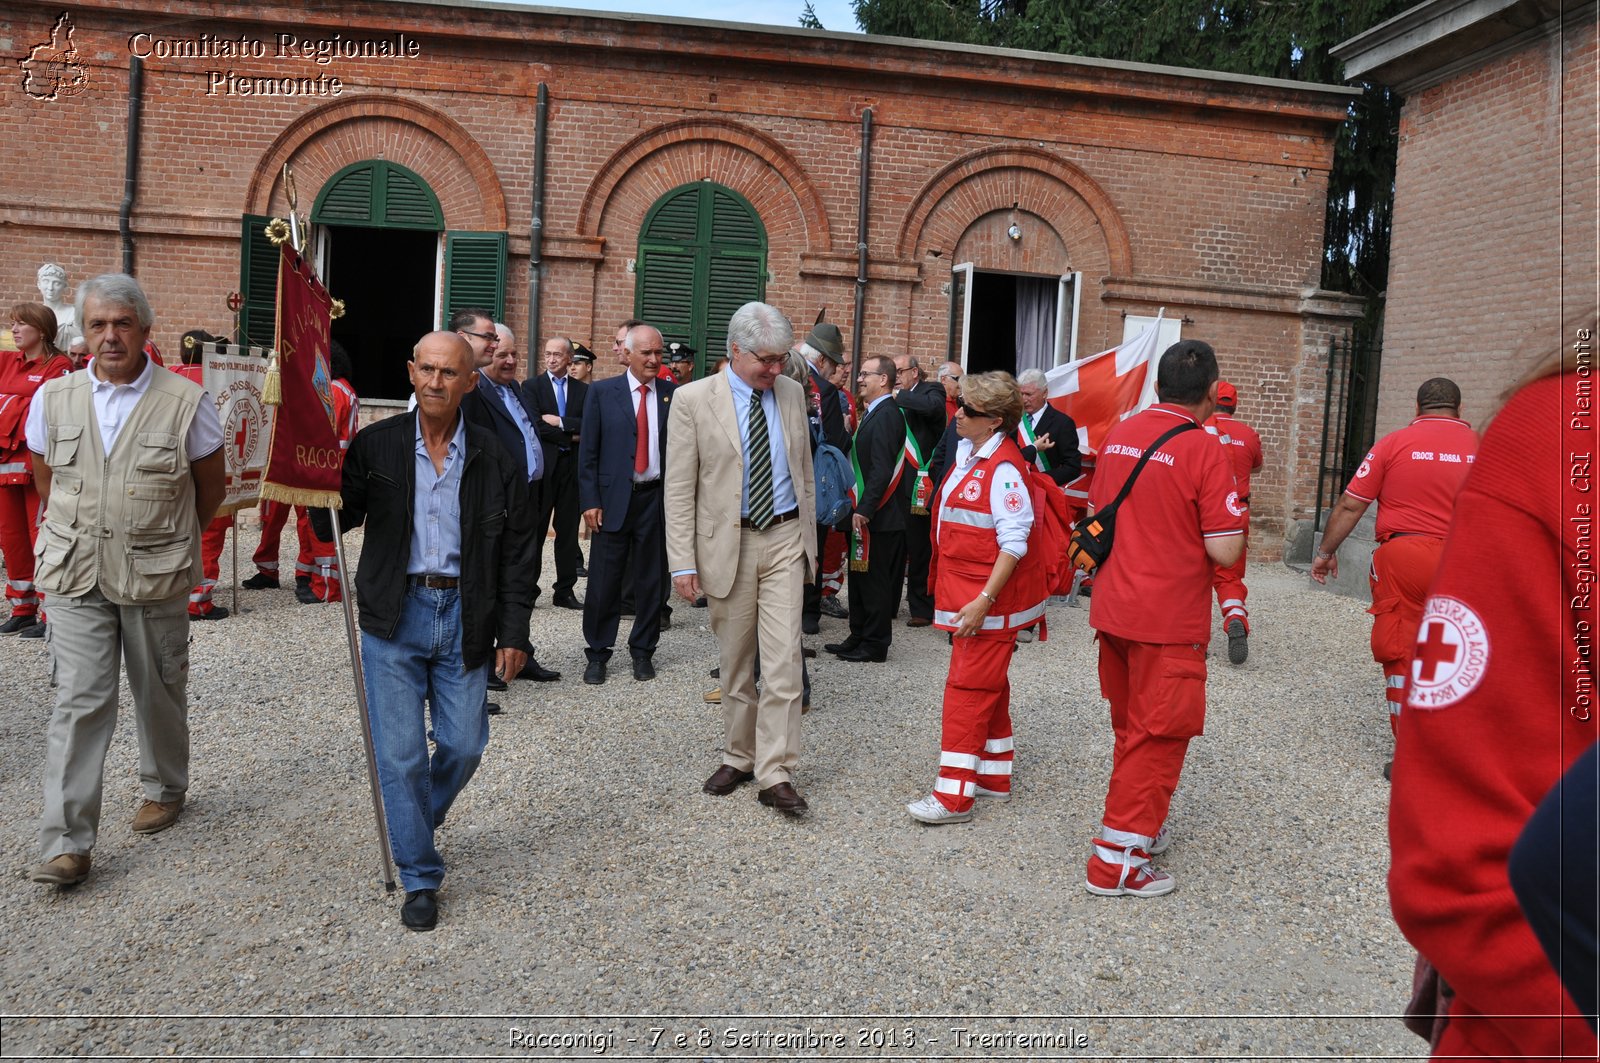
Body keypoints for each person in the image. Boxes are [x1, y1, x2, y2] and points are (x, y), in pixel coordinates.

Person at [1388, 322, 1597, 1058]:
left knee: (1409, 659)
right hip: (1456, 549)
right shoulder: (1511, 441)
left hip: (1416, 558)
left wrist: (1323, 553)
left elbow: (1353, 496)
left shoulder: (1525, 435)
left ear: (1418, 407)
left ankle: (1404, 737)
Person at [328, 330, 535, 931]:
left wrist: (515, 632)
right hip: (394, 614)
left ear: (471, 381)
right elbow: (335, 521)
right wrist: (306, 467)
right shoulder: (376, 445)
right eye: (427, 370)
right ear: (410, 372)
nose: (436, 383)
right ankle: (420, 874)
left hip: (467, 614)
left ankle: (416, 815)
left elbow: (520, 554)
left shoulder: (497, 456)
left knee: (466, 743)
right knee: (401, 757)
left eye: (450, 373)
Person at [26, 273, 226, 887]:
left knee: (158, 686)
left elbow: (209, 491)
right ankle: (66, 842)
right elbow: (44, 479)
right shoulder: (52, 399)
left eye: (121, 323)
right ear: (81, 334)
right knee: (79, 700)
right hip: (74, 572)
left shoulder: (186, 400)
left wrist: (158, 535)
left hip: (153, 572)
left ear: (144, 328)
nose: (109, 336)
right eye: (97, 325)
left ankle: (165, 785)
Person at [1083, 340, 1243, 897]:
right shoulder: (1204, 448)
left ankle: (1139, 829)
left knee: (1131, 730)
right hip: (1167, 617)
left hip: (1114, 609)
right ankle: (1117, 861)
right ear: (1209, 392)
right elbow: (1224, 551)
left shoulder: (1121, 433)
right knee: (1159, 735)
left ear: (1157, 385)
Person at [667, 302, 816, 816]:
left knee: (784, 663)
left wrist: (809, 537)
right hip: (728, 544)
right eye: (767, 360)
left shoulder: (792, 393)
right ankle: (739, 754)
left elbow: (804, 467)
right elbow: (680, 488)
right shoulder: (691, 399)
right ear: (735, 350)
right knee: (736, 663)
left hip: (785, 538)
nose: (777, 370)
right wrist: (682, 562)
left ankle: (776, 771)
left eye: (781, 360)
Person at [1311, 377, 1476, 770]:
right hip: (1465, 559)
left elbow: (1352, 505)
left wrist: (1325, 553)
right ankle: (1457, 747)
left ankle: (1412, 755)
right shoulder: (1484, 447)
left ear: (1417, 409)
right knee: (1460, 647)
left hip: (1404, 557)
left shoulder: (1393, 444)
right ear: (1460, 410)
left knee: (1400, 647)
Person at [906, 371, 1047, 824]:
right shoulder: (971, 450)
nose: (959, 413)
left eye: (970, 410)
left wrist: (984, 599)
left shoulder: (1004, 468)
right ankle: (991, 776)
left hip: (987, 604)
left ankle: (953, 797)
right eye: (961, 404)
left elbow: (1014, 542)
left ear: (996, 422)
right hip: (971, 596)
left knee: (966, 690)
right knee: (990, 686)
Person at [460, 323, 560, 692]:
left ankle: (519, 647)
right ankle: (484, 660)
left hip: (529, 499)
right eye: (502, 354)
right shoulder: (474, 393)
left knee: (524, 578)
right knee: (490, 580)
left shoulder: (514, 389)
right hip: (495, 504)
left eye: (515, 354)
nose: (511, 361)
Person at [578, 323, 673, 684]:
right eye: (646, 352)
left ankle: (643, 651)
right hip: (613, 500)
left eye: (658, 353)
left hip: (655, 499)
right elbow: (587, 453)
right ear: (627, 354)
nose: (653, 359)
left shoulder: (671, 395)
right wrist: (590, 500)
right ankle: (598, 653)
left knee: (651, 580)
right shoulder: (602, 393)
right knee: (604, 580)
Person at [244, 340, 359, 604]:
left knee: (319, 529)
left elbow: (322, 434)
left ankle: (328, 586)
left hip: (323, 468)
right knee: (305, 524)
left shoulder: (333, 391)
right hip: (322, 465)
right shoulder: (342, 388)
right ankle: (306, 574)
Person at [824, 355, 913, 663]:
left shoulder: (888, 414)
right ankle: (858, 633)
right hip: (867, 514)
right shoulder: (875, 412)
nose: (858, 379)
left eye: (865, 374)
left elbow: (881, 470)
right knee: (860, 579)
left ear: (883, 380)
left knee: (874, 583)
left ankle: (875, 644)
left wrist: (865, 509)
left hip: (879, 517)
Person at [0, 301, 73, 637]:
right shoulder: (8, 361)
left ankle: (52, 610)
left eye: (21, 324)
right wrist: (20, 403)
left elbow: (55, 410)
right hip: (5, 463)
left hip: (39, 465)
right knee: (11, 537)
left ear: (41, 330)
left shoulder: (58, 365)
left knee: (42, 536)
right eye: (12, 323)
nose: (14, 329)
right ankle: (23, 606)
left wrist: (10, 403)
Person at [169, 329, 234, 621]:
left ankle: (172, 594)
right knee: (208, 533)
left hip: (169, 468)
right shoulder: (218, 379)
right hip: (207, 464)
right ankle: (198, 601)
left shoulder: (165, 376)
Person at [525, 335, 586, 610]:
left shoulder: (583, 391)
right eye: (548, 354)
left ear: (569, 359)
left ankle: (565, 590)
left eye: (557, 355)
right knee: (536, 530)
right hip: (544, 468)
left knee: (568, 531)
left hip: (571, 470)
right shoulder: (532, 387)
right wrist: (571, 436)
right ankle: (528, 588)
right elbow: (536, 426)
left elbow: (589, 426)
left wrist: (561, 422)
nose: (551, 359)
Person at [1204, 380, 1262, 664]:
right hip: (1237, 511)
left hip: (1202, 511)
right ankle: (1235, 616)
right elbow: (1257, 466)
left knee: (1195, 575)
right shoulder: (1248, 434)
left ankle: (1194, 636)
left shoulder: (1200, 429)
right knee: (1229, 575)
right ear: (1235, 405)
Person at [799, 323, 851, 633]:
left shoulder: (775, 378)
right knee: (812, 549)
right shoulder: (827, 390)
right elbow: (834, 442)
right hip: (812, 484)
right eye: (832, 363)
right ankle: (808, 613)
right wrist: (846, 432)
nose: (833, 370)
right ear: (821, 361)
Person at [893, 353, 946, 629]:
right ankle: (890, 603)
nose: (896, 376)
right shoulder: (896, 396)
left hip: (920, 483)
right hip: (896, 480)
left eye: (899, 371)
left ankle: (921, 608)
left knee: (919, 547)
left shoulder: (931, 390)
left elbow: (933, 409)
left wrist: (897, 396)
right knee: (893, 545)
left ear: (914, 372)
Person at [35, 263, 78, 352]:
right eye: (46, 281)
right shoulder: (34, 314)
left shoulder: (74, 314)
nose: (50, 288)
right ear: (39, 284)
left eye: (56, 283)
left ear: (65, 287)